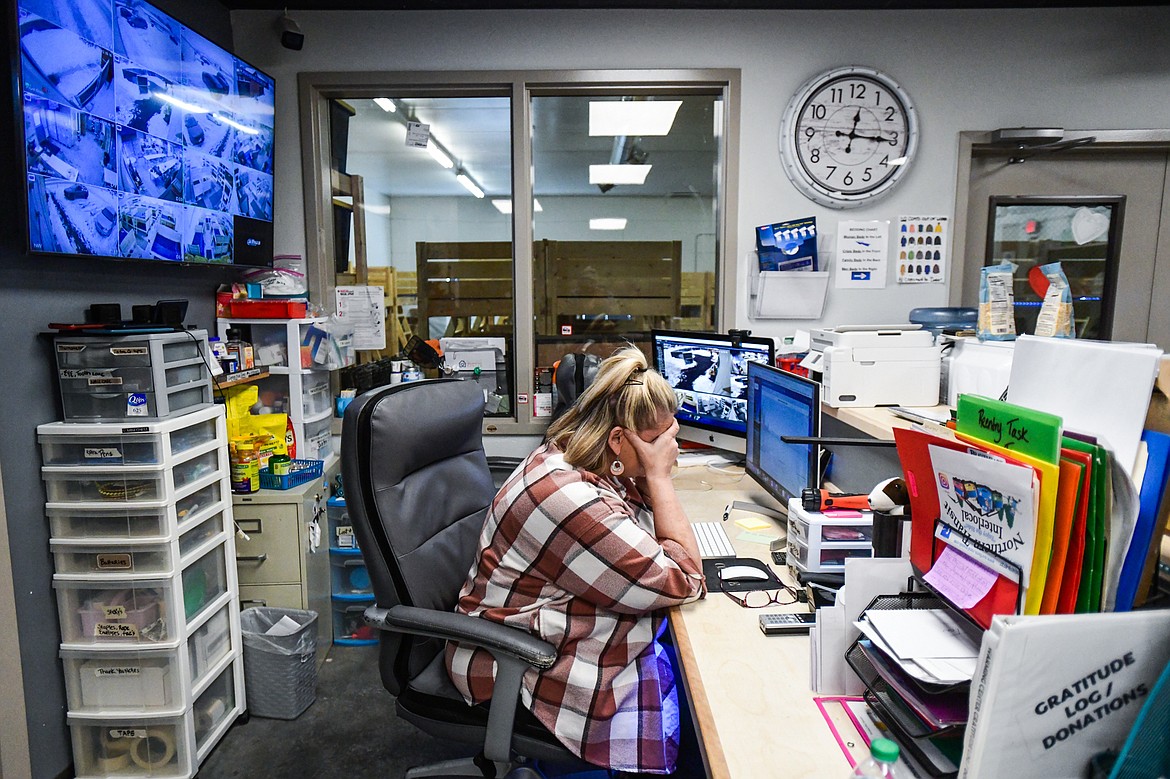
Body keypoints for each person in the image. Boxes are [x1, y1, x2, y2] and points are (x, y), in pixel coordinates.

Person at [446, 347, 705, 776]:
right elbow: (686, 578)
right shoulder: (570, 498)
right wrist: (658, 477)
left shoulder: (577, 455)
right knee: (697, 713)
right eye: (659, 440)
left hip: (542, 627)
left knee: (684, 672)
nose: (670, 449)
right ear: (618, 439)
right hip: (510, 664)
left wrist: (649, 471)